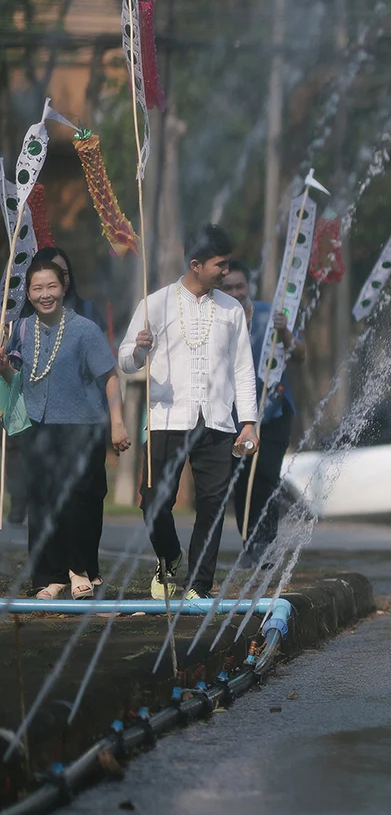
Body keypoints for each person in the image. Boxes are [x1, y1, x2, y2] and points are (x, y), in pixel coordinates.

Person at [118, 223, 259, 600]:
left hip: (217, 422)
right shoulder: (155, 303)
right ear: (196, 264)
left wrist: (249, 422)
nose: (226, 271)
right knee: (153, 502)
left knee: (212, 505)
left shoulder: (231, 310)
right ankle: (169, 556)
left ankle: (199, 584)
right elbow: (125, 361)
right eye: (220, 264)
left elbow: (243, 368)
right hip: (167, 418)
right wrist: (139, 349)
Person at [2, 257, 129, 597]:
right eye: (37, 288)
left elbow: (110, 377)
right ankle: (50, 577)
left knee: (76, 501)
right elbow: (20, 382)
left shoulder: (84, 330)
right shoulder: (22, 330)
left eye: (51, 286)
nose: (45, 294)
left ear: (63, 287)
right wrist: (3, 368)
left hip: (81, 427)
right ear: (28, 293)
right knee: (42, 502)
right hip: (36, 426)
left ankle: (80, 571)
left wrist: (117, 424)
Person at [220, 260, 295, 557]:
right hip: (234, 416)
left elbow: (300, 353)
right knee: (242, 481)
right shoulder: (217, 319)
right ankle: (249, 545)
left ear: (248, 287)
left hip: (273, 412)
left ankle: (266, 547)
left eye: (240, 286)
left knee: (265, 476)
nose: (235, 293)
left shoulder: (270, 315)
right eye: (228, 288)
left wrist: (285, 332)